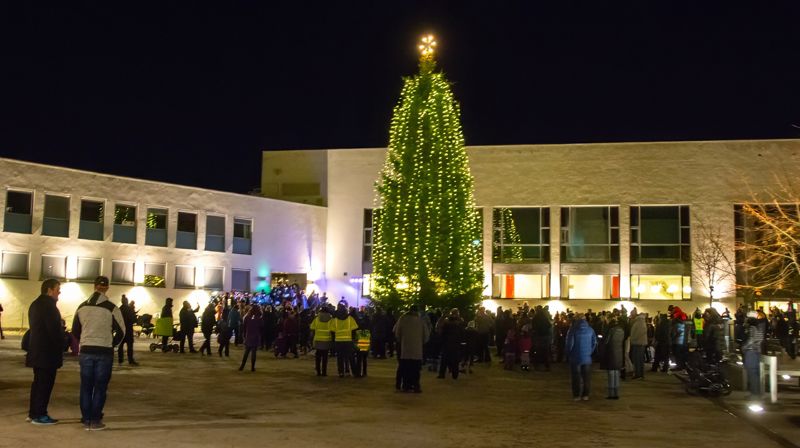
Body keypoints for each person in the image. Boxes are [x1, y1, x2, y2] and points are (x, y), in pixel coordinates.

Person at [72, 276, 125, 431]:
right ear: (107, 288)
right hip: (104, 351)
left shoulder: (81, 307)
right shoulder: (111, 307)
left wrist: (85, 340)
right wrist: (112, 345)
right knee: (100, 387)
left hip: (87, 350)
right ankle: (95, 420)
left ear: (94, 286)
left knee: (86, 386)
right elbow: (122, 331)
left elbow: (75, 331)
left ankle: (86, 418)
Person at [27, 279, 64, 425]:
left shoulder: (35, 304)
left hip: (36, 351)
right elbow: (53, 331)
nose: (59, 292)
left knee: (37, 384)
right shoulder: (49, 306)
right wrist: (62, 340)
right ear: (49, 290)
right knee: (44, 385)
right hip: (47, 354)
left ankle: (33, 412)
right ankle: (40, 414)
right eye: (57, 289)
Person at [394, 304, 430, 392]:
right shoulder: (421, 321)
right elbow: (426, 336)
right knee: (416, 370)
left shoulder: (402, 319)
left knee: (406, 368)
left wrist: (401, 341)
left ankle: (406, 386)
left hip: (405, 348)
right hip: (417, 350)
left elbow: (397, 333)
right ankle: (416, 386)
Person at [565, 314, 597, 401]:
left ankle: (576, 395)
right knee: (586, 377)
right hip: (587, 357)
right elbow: (594, 342)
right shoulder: (590, 330)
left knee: (576, 377)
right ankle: (585, 395)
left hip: (575, 357)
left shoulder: (573, 330)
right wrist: (589, 352)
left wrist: (568, 354)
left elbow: (569, 344)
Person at [330, 302, 359, 377]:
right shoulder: (350, 319)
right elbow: (354, 329)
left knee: (340, 358)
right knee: (351, 357)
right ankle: (354, 372)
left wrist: (333, 340)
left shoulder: (335, 320)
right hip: (348, 341)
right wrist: (353, 339)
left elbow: (332, 331)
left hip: (338, 341)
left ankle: (341, 372)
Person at [602, 317, 625, 399]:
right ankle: (616, 393)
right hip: (619, 354)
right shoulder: (621, 330)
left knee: (611, 374)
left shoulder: (611, 331)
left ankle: (611, 394)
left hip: (611, 353)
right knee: (616, 374)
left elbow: (606, 342)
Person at [310, 304, 334, 376]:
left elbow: (312, 328)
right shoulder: (331, 320)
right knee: (325, 358)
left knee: (318, 357)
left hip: (318, 340)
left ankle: (318, 371)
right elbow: (333, 330)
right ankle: (324, 372)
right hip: (327, 341)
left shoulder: (316, 319)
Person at [239, 306, 264, 371]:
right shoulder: (259, 318)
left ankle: (242, 366)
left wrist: (244, 335)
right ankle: (252, 367)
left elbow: (244, 327)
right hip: (256, 336)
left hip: (248, 335)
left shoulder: (247, 317)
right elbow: (261, 327)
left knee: (246, 352)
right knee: (254, 352)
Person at [117, 295, 138, 365]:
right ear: (126, 301)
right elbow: (133, 319)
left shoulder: (119, 309)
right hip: (128, 330)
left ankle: (120, 360)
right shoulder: (129, 309)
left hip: (121, 330)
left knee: (120, 346)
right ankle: (130, 360)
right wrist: (136, 318)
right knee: (130, 346)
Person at [629, 310, 647, 379]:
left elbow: (638, 333)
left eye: (631, 314)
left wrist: (632, 339)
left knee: (637, 360)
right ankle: (640, 374)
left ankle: (638, 374)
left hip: (638, 343)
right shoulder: (641, 321)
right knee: (639, 360)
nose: (631, 316)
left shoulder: (639, 322)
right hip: (640, 343)